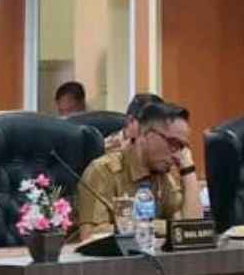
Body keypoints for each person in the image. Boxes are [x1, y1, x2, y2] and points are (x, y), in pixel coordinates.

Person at [76, 101, 204, 240]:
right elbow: (91, 234)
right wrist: (159, 227)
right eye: (173, 143)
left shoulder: (163, 175)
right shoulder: (102, 171)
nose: (177, 154)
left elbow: (191, 230)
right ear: (145, 135)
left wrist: (188, 170)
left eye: (182, 147)